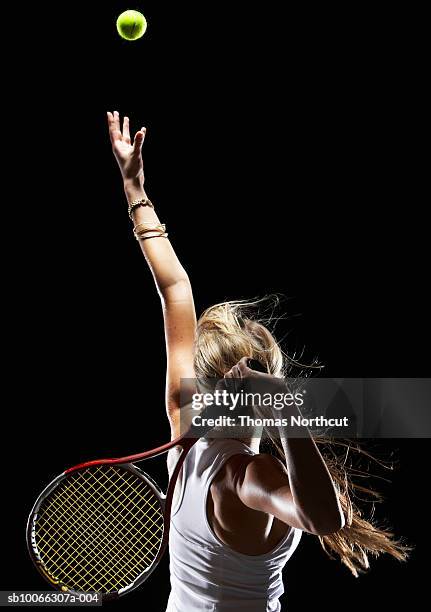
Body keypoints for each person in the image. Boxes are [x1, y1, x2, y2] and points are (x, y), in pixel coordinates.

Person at [107, 112, 408, 612]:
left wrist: (133, 185)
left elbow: (175, 289)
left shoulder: (184, 422)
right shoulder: (248, 475)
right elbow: (325, 521)